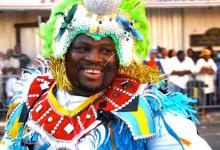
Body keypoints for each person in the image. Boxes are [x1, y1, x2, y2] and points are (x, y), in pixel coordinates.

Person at [1, 0, 211, 149]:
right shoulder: (33, 95)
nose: (95, 58)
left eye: (106, 51)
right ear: (62, 53)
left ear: (120, 57)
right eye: (82, 48)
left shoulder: (147, 106)